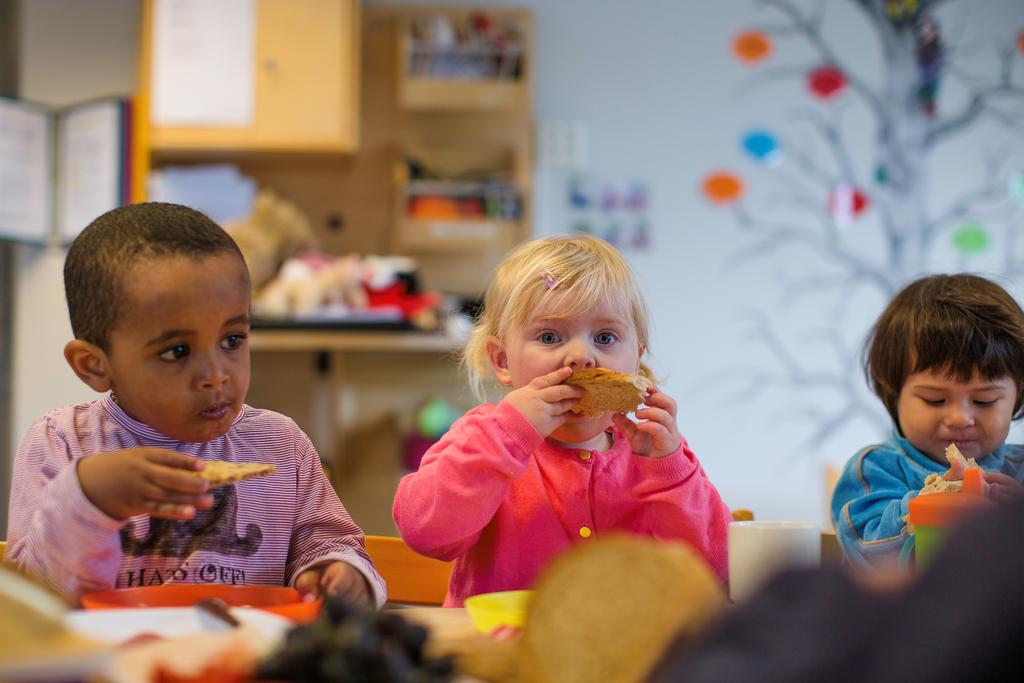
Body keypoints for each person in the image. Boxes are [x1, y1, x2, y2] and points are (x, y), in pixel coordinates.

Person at [6, 202, 384, 606]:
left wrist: (337, 573)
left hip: (245, 660)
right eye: (178, 351)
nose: (216, 375)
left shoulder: (281, 444)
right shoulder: (62, 443)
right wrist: (87, 497)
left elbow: (328, 543)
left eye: (232, 340)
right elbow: (31, 604)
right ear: (94, 365)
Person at [392, 234, 730, 606]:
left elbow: (714, 572)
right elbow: (425, 532)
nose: (581, 356)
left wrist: (669, 471)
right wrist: (509, 434)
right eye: (550, 336)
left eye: (605, 337)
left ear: (637, 358)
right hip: (503, 652)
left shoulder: (656, 454)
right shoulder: (485, 437)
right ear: (502, 361)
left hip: (629, 655)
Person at [831, 274, 1024, 570]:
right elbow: (868, 554)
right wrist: (932, 504)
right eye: (935, 400)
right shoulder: (875, 469)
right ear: (894, 393)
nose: (960, 419)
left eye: (984, 401)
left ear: (1017, 395)